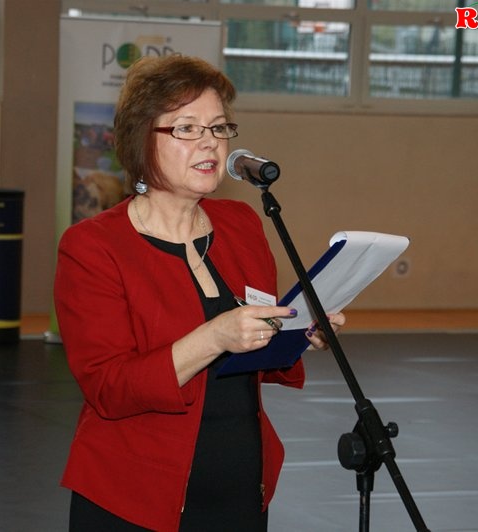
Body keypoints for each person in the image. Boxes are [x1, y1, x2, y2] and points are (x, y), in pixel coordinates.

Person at [53, 54, 345, 532]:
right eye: (187, 128)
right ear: (141, 139)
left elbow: (254, 346)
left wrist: (298, 333)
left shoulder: (242, 224)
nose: (210, 141)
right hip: (133, 498)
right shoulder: (92, 246)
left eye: (218, 127)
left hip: (241, 488)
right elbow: (109, 387)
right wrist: (214, 336)